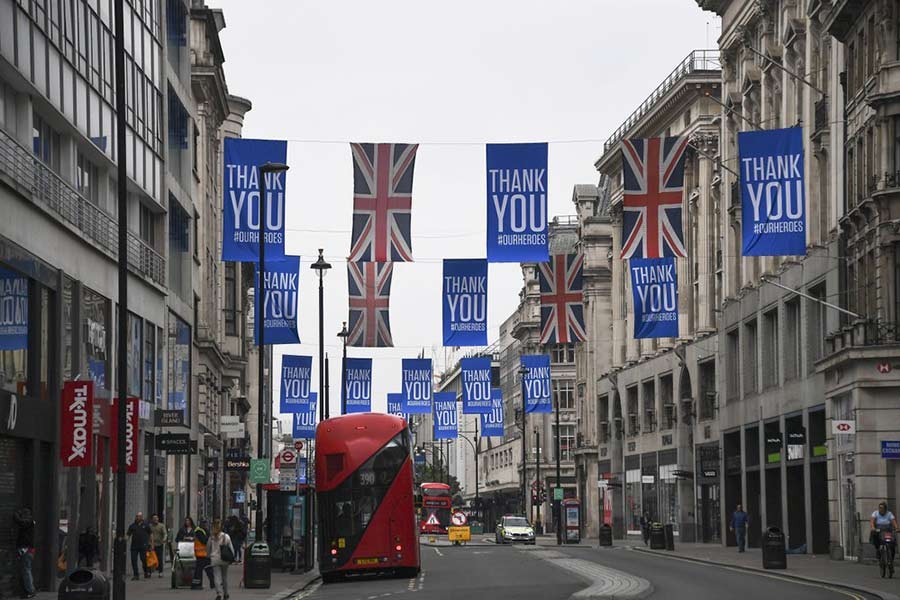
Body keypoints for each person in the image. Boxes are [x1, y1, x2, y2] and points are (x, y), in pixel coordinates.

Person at [207, 519, 235, 600]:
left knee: (217, 577)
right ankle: (226, 593)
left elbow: (208, 549)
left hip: (215, 559)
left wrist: (208, 556)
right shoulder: (226, 536)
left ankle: (219, 593)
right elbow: (231, 548)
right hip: (225, 559)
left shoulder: (211, 537)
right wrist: (232, 558)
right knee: (224, 577)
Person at [14, 507, 36, 599]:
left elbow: (20, 522)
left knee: (26, 570)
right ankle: (29, 589)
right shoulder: (29, 523)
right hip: (26, 549)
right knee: (26, 570)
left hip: (26, 549)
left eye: (23, 514)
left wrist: (16, 514)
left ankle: (31, 590)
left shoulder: (29, 522)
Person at [126, 512, 152, 580]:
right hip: (134, 546)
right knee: (133, 560)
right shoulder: (132, 526)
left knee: (143, 559)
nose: (138, 518)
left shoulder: (146, 525)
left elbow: (151, 534)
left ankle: (146, 571)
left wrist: (151, 543)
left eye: (139, 516)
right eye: (137, 516)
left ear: (142, 517)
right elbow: (128, 534)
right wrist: (125, 540)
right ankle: (136, 575)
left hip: (143, 546)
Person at [192, 518, 214, 590]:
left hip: (204, 553)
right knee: (206, 569)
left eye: (205, 523)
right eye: (204, 523)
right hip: (201, 553)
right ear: (200, 524)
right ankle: (197, 585)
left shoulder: (205, 530)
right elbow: (204, 541)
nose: (205, 525)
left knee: (201, 569)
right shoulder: (199, 531)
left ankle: (197, 584)